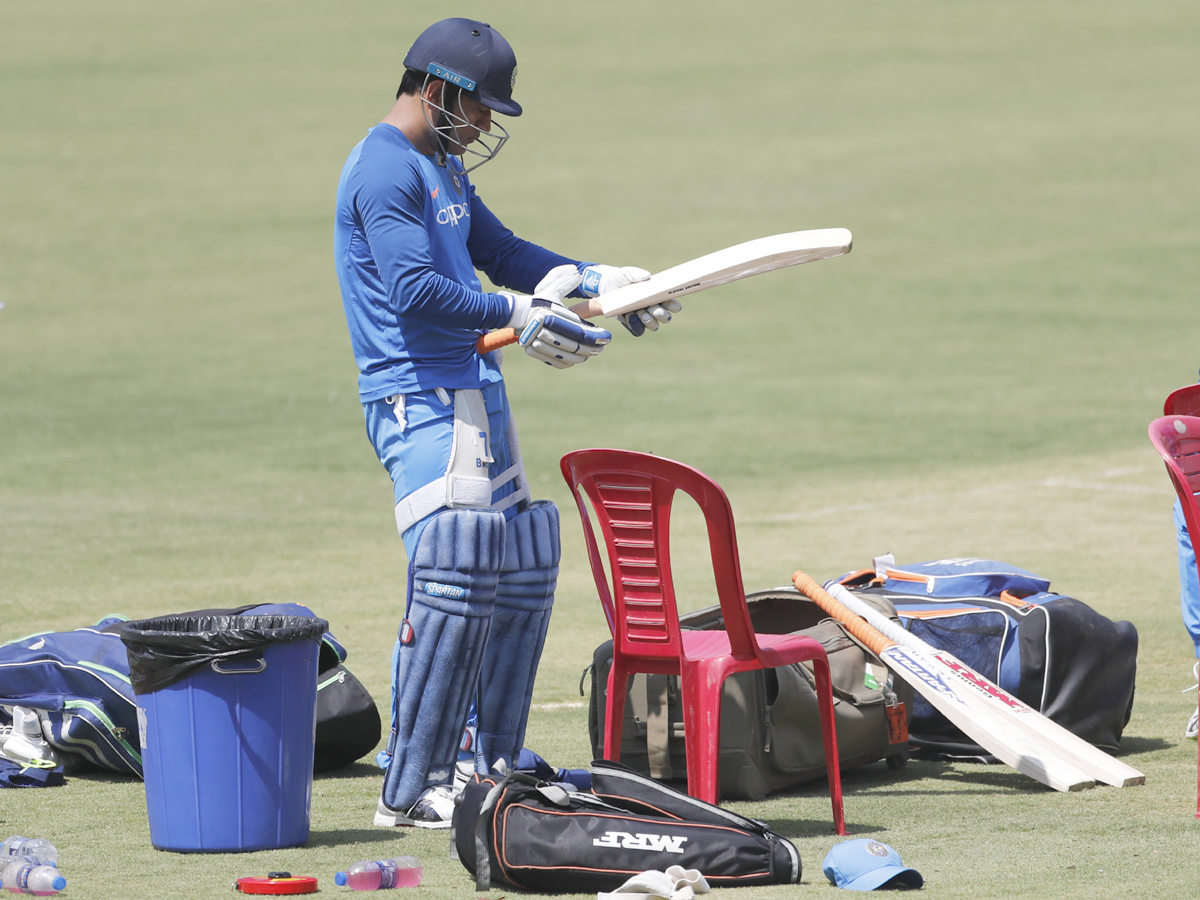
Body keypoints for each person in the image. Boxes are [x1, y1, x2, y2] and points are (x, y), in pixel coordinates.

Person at [333, 18, 680, 828]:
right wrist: (521, 314)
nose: (485, 123)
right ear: (436, 88)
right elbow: (416, 291)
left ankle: (484, 767)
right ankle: (413, 786)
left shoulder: (440, 162)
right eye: (480, 106)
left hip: (473, 390)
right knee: (450, 584)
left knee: (512, 569)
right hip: (417, 397)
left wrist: (597, 281)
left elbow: (503, 251)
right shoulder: (382, 169)